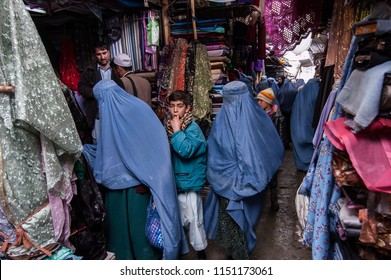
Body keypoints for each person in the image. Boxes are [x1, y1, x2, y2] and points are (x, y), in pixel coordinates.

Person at [83, 79, 188, 260]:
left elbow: (155, 147)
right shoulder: (139, 109)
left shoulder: (129, 111)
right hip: (131, 191)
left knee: (137, 238)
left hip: (137, 192)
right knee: (134, 238)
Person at [204, 81, 284, 259]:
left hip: (225, 181)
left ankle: (238, 254)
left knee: (234, 221)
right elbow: (270, 148)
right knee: (238, 222)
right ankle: (240, 253)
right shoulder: (258, 119)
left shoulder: (222, 120)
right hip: (242, 182)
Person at [165, 90, 208, 260]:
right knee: (179, 218)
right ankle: (182, 249)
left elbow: (186, 150)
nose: (175, 110)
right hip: (176, 180)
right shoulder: (169, 126)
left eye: (180, 106)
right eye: (172, 106)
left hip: (189, 181)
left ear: (187, 108)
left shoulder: (193, 128)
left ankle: (200, 251)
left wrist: (176, 132)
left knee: (193, 219)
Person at [78, 41, 124, 144]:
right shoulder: (89, 71)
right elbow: (81, 87)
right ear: (95, 55)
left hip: (114, 113)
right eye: (99, 54)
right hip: (97, 114)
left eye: (104, 53)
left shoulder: (116, 70)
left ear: (109, 53)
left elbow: (122, 89)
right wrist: (94, 93)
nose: (102, 57)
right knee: (98, 142)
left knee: (114, 141)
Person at [256, 88, 288, 211]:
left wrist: (277, 153)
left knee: (273, 179)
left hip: (272, 153)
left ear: (268, 102)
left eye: (261, 100)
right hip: (261, 151)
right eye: (258, 100)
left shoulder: (278, 117)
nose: (258, 103)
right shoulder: (258, 115)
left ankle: (274, 202)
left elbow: (282, 138)